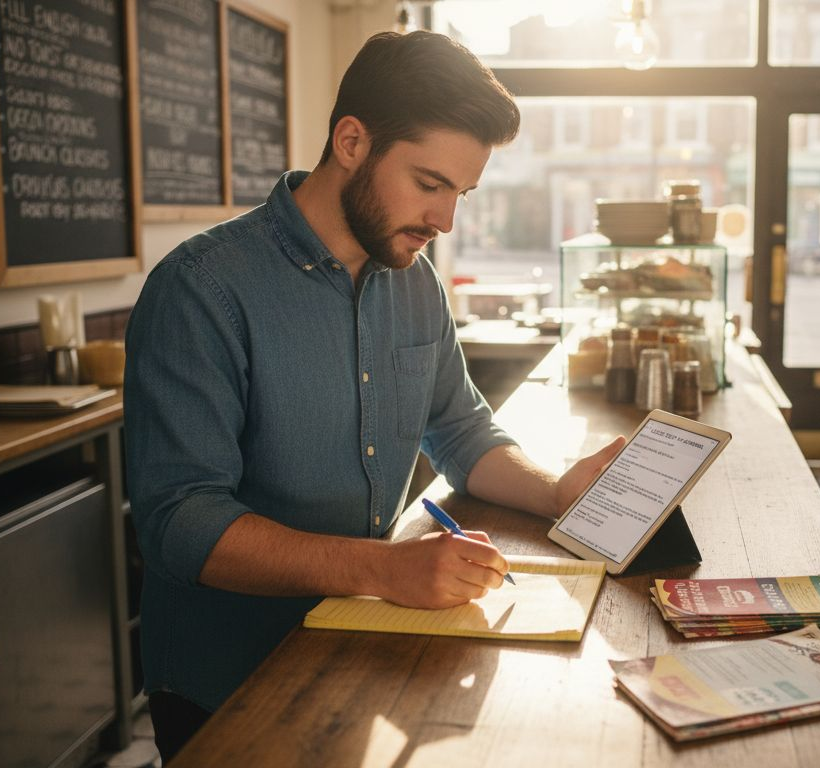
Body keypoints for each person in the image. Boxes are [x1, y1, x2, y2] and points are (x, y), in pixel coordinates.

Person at [124, 30, 623, 762]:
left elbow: (461, 430)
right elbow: (179, 523)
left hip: (361, 644)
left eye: (460, 193)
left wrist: (555, 492)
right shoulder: (201, 290)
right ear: (351, 142)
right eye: (429, 184)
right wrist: (383, 568)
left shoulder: (415, 282)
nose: (445, 221)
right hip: (228, 678)